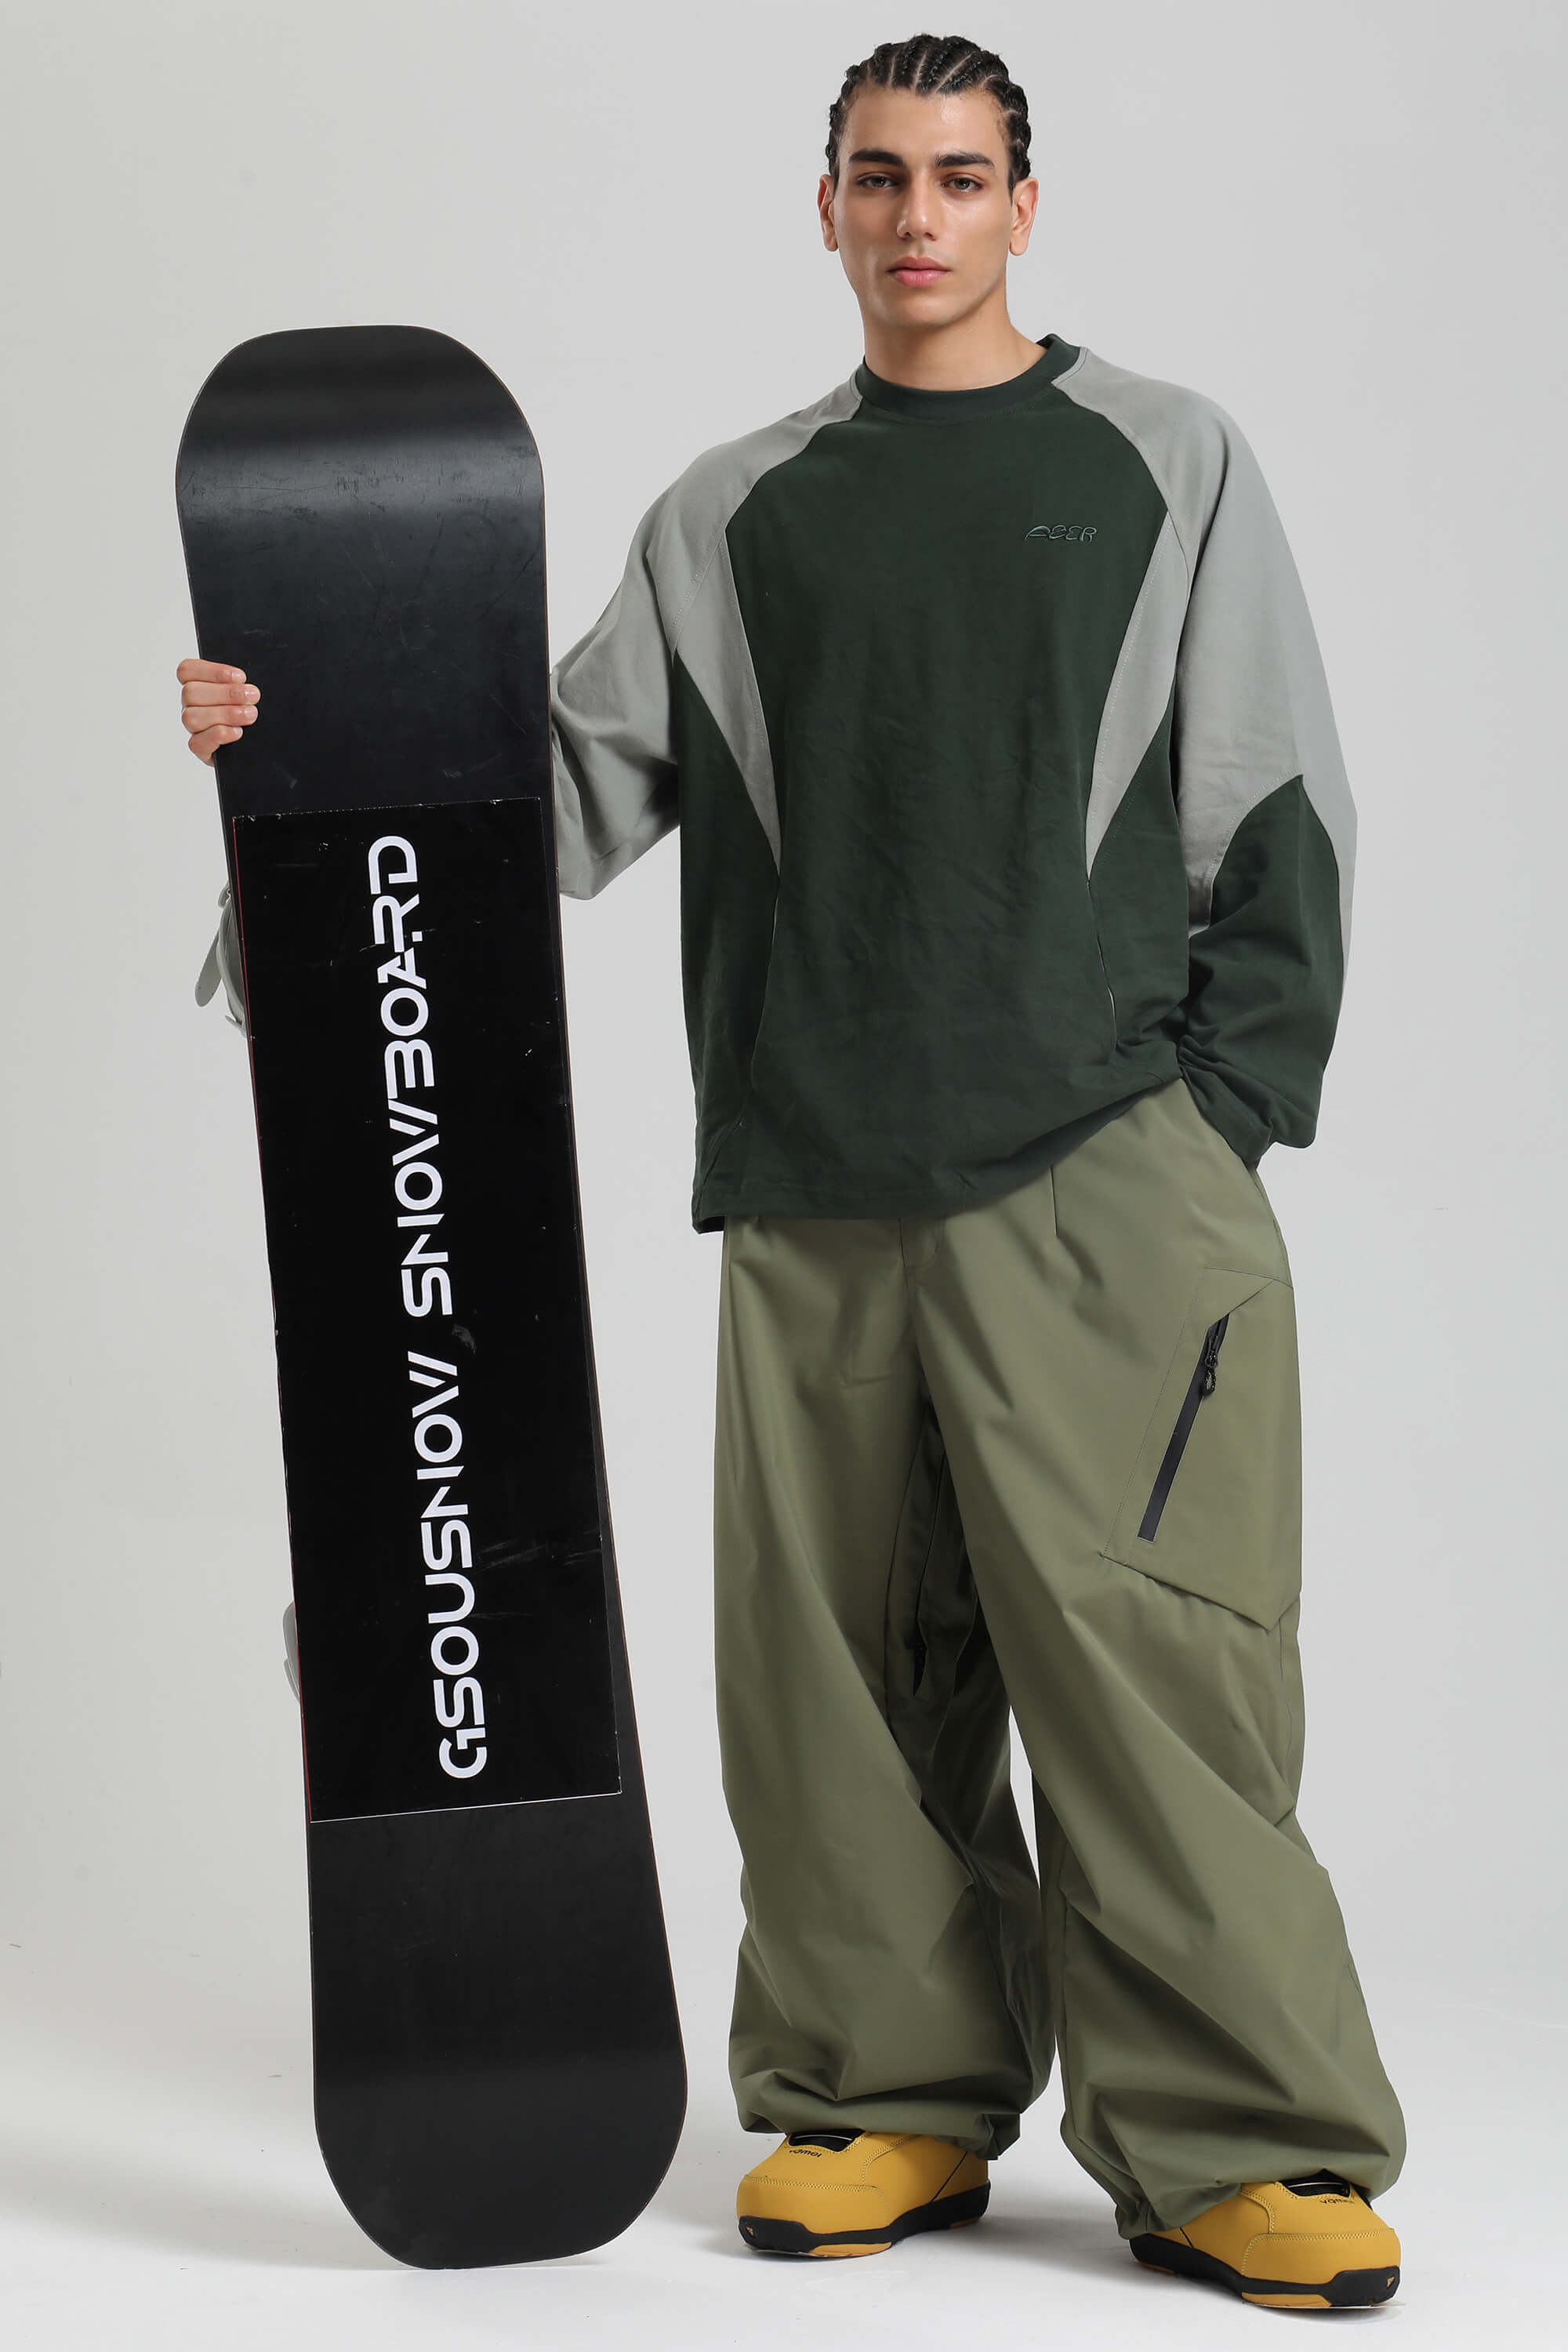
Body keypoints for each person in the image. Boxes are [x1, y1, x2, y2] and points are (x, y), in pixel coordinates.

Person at [180, 30, 1406, 2314]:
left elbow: (1280, 806)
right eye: (877, 176)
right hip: (813, 1192)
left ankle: (1243, 2142)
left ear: (1024, 204)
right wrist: (295, 760)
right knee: (834, 1683)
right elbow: (531, 803)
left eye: (959, 174)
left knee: (1152, 1673)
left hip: (1103, 1180)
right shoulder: (731, 518)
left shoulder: (1165, 461)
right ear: (824, 206)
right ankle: (883, 2095)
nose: (918, 215)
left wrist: (1214, 1126)